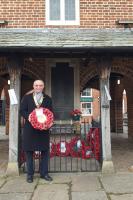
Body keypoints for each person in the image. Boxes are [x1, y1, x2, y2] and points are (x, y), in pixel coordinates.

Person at [20, 80, 53, 183]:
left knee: (44, 152)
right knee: (29, 152)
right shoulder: (27, 98)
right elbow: (22, 110)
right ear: (33, 86)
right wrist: (29, 117)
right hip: (30, 129)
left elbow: (50, 112)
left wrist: (49, 122)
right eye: (36, 85)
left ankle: (44, 174)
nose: (38, 87)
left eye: (40, 85)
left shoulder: (48, 99)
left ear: (43, 87)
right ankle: (30, 175)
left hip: (43, 130)